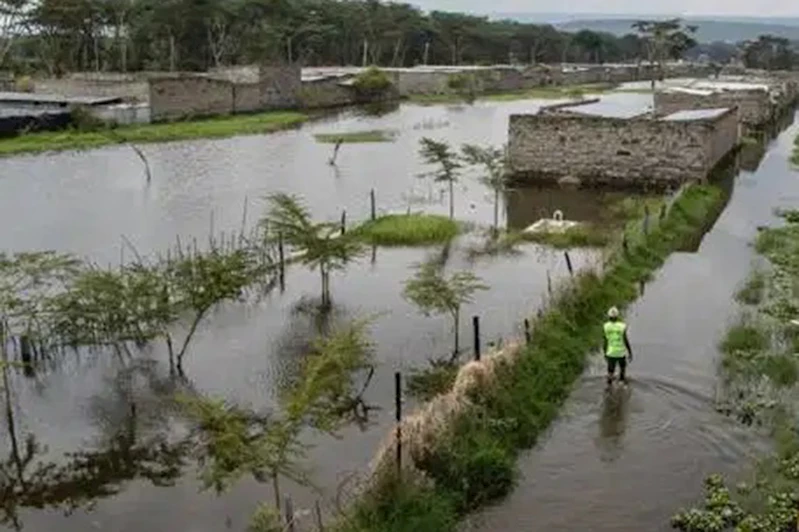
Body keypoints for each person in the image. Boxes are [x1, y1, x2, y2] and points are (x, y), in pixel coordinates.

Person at [603, 306, 633, 386]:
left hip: (610, 352)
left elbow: (605, 341)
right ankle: (621, 384)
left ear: (609, 316)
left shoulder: (606, 326)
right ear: (617, 316)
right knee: (622, 370)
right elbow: (625, 340)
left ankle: (609, 387)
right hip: (621, 352)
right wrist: (630, 352)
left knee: (610, 372)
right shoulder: (622, 326)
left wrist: (605, 353)